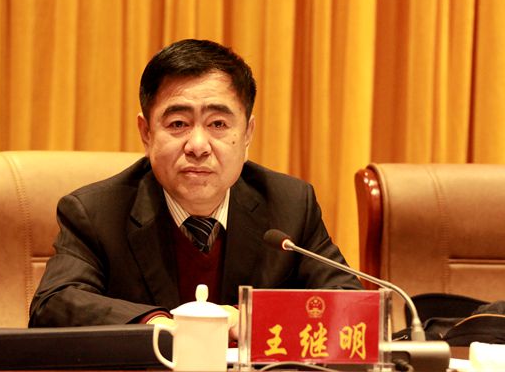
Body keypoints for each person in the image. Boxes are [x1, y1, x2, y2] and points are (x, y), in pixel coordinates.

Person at [29, 39, 362, 331]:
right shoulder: (96, 213)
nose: (198, 146)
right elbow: (54, 304)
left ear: (247, 133)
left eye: (218, 124)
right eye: (178, 123)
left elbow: (349, 304)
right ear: (146, 133)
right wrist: (156, 324)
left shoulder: (289, 204)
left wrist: (249, 317)